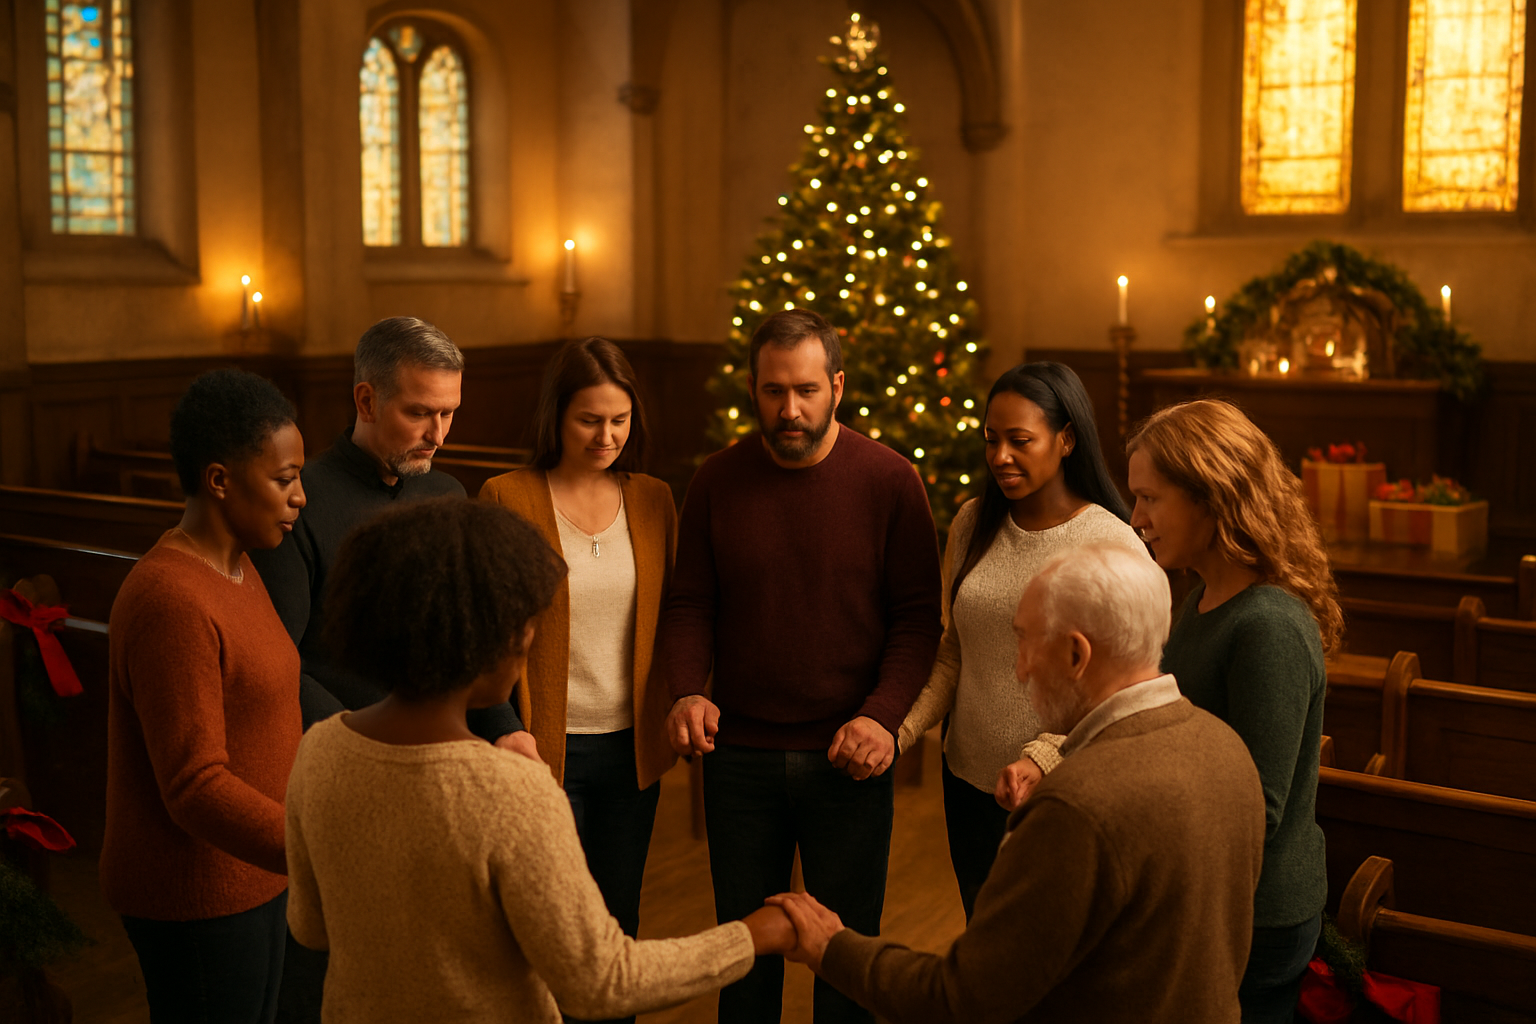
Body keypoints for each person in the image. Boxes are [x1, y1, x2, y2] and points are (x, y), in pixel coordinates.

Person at [284, 498, 797, 1022]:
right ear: (483, 638)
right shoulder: (511, 791)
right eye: (525, 624)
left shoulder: (320, 750)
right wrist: (755, 934)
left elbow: (310, 925)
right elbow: (602, 982)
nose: (529, 640)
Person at [768, 544, 1266, 1024]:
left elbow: (965, 1000)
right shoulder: (1226, 748)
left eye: (1026, 640)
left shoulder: (1076, 806)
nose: (1021, 667)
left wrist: (830, 946)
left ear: (1076, 654)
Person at [657, 308, 944, 1024]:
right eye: (773, 391)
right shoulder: (717, 481)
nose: (790, 409)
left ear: (837, 387)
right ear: (752, 390)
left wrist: (882, 718)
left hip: (849, 757)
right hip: (740, 761)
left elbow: (917, 622)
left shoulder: (890, 481)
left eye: (807, 390)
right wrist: (687, 691)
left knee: (847, 964)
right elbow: (689, 603)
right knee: (742, 962)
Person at [248, 316, 531, 1023]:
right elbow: (281, 660)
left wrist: (508, 729)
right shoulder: (299, 502)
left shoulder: (447, 497)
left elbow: (475, 641)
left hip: (446, 775)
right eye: (419, 412)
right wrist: (361, 746)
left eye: (448, 414)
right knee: (326, 979)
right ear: (367, 401)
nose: (438, 432)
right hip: (345, 772)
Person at [895, 362, 1142, 920]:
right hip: (966, 783)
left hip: (1059, 792)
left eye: (1020, 440)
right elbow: (955, 653)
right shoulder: (972, 522)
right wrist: (902, 731)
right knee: (983, 948)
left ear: (1067, 439)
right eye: (991, 439)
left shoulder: (1111, 542)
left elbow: (1126, 692)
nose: (1000, 456)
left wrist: (1043, 757)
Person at [479, 337, 677, 1024]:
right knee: (539, 930)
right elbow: (485, 631)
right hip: (539, 754)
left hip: (631, 750)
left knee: (615, 927)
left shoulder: (654, 501)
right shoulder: (506, 497)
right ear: (556, 416)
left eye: (619, 419)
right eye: (590, 419)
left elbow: (675, 618)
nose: (607, 435)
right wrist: (508, 732)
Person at [101, 369, 308, 1024]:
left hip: (259, 871)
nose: (301, 496)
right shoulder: (172, 598)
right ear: (220, 479)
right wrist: (314, 843)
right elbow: (193, 785)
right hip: (198, 893)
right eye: (284, 479)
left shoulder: (240, 565)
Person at [1126, 399, 1338, 1024]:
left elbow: (1256, 807)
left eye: (1150, 498)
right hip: (1213, 896)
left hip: (1257, 912)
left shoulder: (1267, 623)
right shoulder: (1200, 598)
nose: (1135, 518)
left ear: (1211, 496)